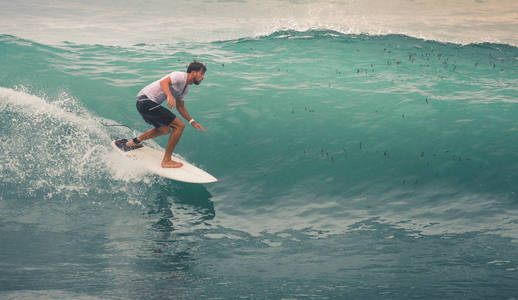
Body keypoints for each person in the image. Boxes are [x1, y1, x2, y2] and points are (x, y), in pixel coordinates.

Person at [115, 61, 207, 168]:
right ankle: (166, 161)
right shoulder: (179, 76)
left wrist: (192, 121)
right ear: (193, 72)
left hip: (146, 105)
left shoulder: (185, 89)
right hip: (146, 101)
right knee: (179, 126)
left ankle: (131, 143)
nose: (203, 77)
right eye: (201, 73)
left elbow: (180, 106)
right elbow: (164, 82)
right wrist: (169, 96)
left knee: (165, 129)